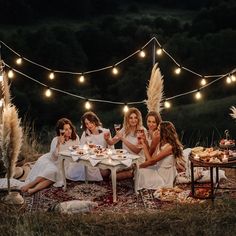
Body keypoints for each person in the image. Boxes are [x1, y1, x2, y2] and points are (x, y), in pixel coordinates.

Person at [20, 118, 80, 194]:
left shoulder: (76, 138)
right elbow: (54, 157)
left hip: (65, 163)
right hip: (52, 161)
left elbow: (77, 150)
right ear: (61, 131)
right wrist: (59, 143)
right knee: (52, 172)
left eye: (70, 128)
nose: (69, 131)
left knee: (52, 177)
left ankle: (33, 190)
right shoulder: (56, 140)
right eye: (66, 129)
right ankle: (30, 185)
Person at [137, 121, 184, 190]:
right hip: (158, 169)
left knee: (140, 173)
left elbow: (151, 161)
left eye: (159, 130)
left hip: (165, 176)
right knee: (140, 171)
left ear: (164, 133)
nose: (156, 131)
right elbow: (151, 159)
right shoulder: (161, 143)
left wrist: (144, 147)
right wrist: (139, 166)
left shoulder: (170, 147)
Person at [66, 111, 111, 181]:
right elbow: (81, 149)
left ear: (95, 121)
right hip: (90, 159)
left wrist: (108, 140)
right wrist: (86, 147)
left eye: (91, 122)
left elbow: (111, 148)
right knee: (74, 170)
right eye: (87, 124)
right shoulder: (85, 134)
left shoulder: (105, 132)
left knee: (105, 173)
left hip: (102, 158)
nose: (89, 125)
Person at [105, 107, 146, 179]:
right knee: (108, 170)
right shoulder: (124, 129)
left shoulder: (142, 131)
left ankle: (133, 172)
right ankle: (128, 170)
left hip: (137, 161)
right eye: (131, 118)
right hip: (126, 159)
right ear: (127, 119)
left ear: (138, 119)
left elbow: (137, 150)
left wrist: (122, 139)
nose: (133, 120)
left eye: (135, 118)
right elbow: (111, 142)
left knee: (113, 176)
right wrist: (107, 139)